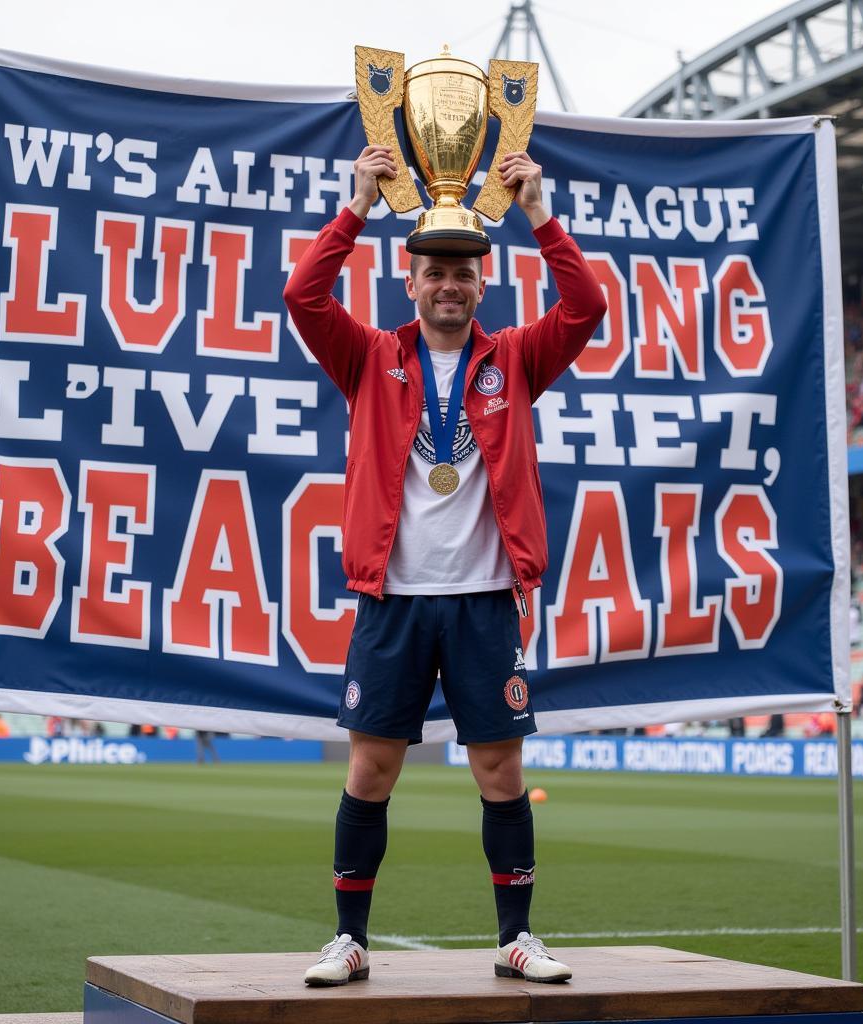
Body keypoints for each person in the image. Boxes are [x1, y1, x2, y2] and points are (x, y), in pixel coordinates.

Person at [283, 144, 606, 987]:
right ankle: (349, 939)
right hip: (393, 600)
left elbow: (586, 305)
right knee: (372, 770)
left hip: (485, 601)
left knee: (501, 772)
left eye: (464, 272)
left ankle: (517, 937)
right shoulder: (367, 358)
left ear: (482, 283)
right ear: (410, 280)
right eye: (435, 272)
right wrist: (355, 206)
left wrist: (539, 212)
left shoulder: (517, 360)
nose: (450, 286)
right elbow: (302, 296)